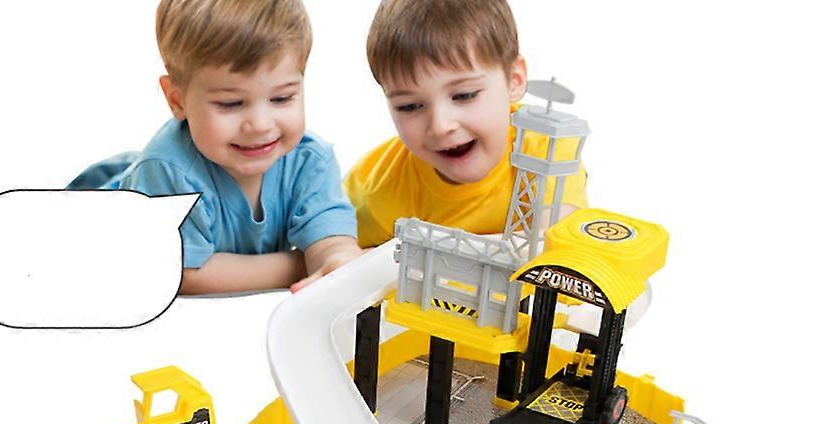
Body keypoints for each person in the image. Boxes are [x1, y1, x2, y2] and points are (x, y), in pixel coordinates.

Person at [69, 0, 361, 294]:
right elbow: (180, 273)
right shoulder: (169, 172)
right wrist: (299, 265)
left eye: (282, 98)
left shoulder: (310, 161)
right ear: (177, 100)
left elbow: (332, 240)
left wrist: (336, 260)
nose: (260, 124)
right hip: (92, 224)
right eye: (231, 103)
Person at [344, 0, 588, 248]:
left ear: (514, 81)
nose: (440, 126)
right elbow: (332, 255)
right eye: (410, 106)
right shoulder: (375, 190)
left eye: (464, 95)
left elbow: (558, 246)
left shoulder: (549, 148)